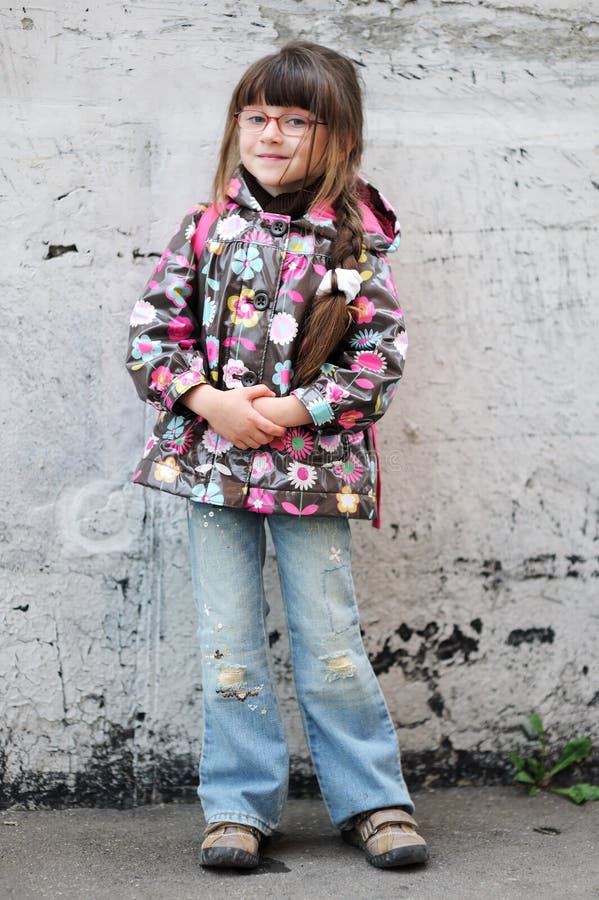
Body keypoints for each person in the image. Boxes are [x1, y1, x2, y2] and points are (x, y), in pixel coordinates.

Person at [126, 41, 428, 871]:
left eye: (298, 120)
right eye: (257, 116)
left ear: (338, 136)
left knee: (329, 641)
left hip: (313, 476)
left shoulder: (353, 244)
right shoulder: (205, 231)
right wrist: (211, 402)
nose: (272, 133)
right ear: (237, 124)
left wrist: (296, 410)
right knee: (229, 644)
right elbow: (151, 337)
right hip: (213, 470)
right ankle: (237, 806)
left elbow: (378, 361)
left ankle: (372, 800)